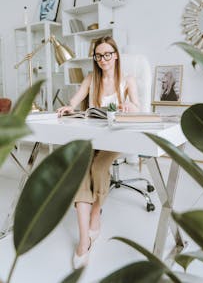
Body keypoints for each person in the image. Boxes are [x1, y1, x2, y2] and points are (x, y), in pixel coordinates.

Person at [57, 36, 140, 268]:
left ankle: (96, 214)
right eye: (98, 55)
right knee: (81, 167)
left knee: (99, 166)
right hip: (94, 138)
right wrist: (70, 106)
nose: (103, 59)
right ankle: (84, 241)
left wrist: (130, 107)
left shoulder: (128, 80)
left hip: (117, 139)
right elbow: (76, 99)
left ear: (115, 55)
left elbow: (138, 107)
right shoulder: (91, 79)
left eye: (107, 54)